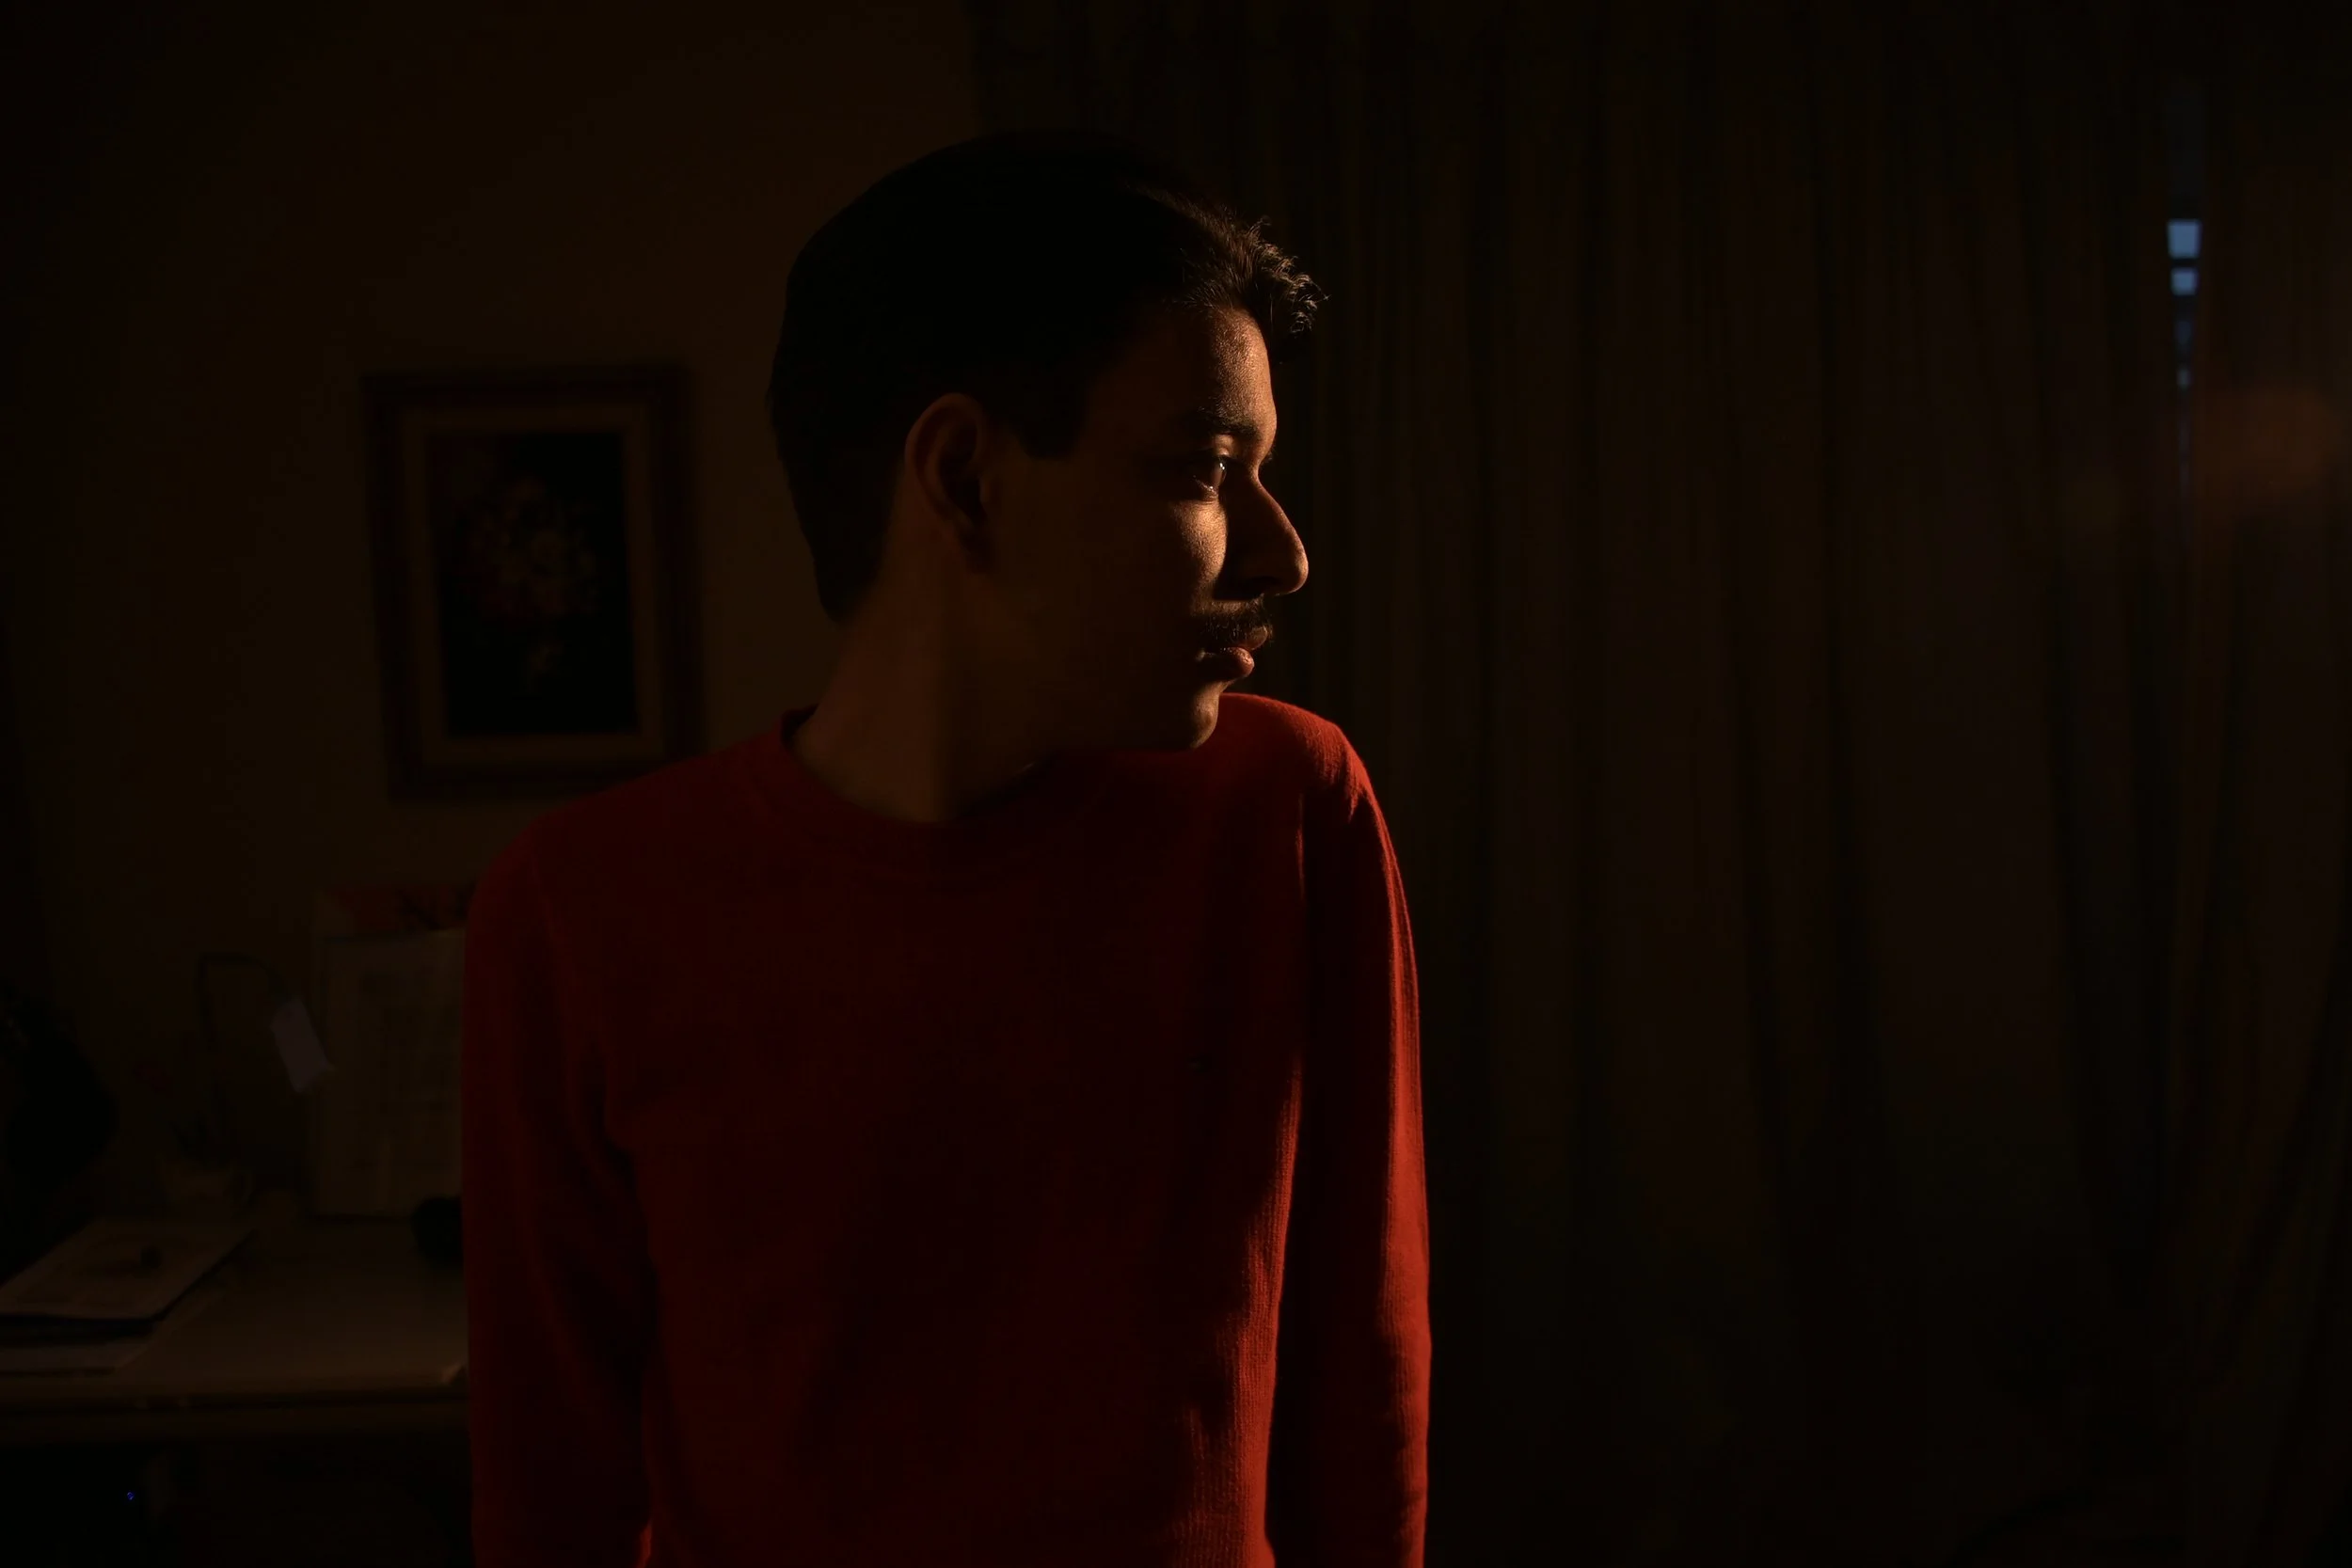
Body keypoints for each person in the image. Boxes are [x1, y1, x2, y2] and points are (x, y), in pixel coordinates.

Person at [461, 128, 1431, 1568]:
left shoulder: (1285, 809)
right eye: (1207, 467)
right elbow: (553, 1492)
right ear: (966, 476)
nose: (1280, 552)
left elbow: (1367, 1381)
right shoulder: (584, 911)